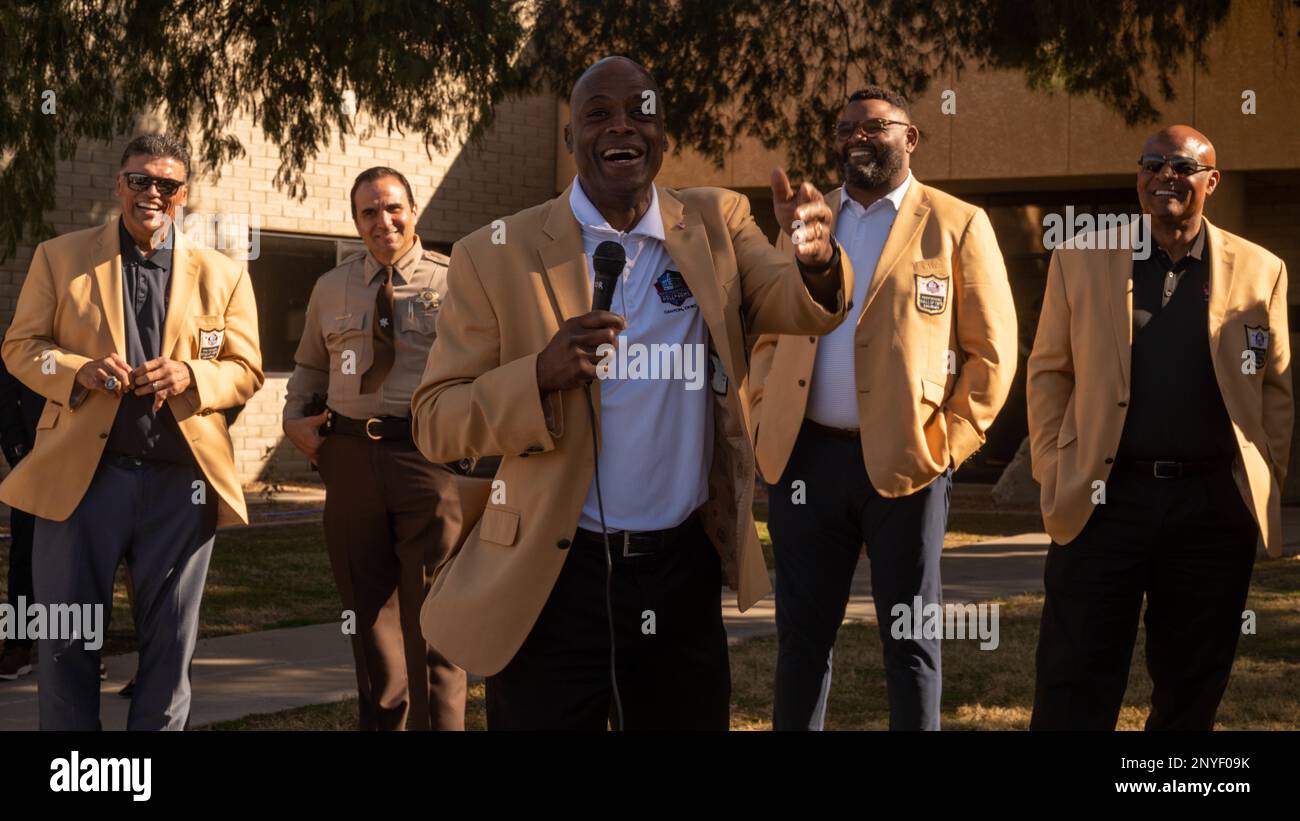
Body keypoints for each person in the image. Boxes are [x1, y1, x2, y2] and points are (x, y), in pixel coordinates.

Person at [410, 56, 852, 730]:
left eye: (640, 111)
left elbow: (794, 302)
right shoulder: (494, 252)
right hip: (554, 577)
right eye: (598, 114)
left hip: (680, 573)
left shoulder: (716, 223)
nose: (623, 125)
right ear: (569, 141)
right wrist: (538, 375)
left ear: (662, 134)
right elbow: (437, 419)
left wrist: (817, 260)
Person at [748, 86, 1018, 731]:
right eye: (845, 129)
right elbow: (766, 329)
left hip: (908, 461)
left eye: (873, 127)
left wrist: (946, 444)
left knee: (911, 641)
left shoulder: (957, 222)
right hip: (807, 456)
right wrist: (763, 413)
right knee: (802, 639)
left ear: (910, 137)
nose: (856, 139)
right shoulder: (809, 218)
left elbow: (993, 353)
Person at [1027, 125, 1293, 730]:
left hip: (1210, 507)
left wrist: (1259, 479)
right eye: (1152, 164)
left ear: (1211, 181)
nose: (1163, 176)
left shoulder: (1261, 269)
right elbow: (1048, 373)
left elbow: (1274, 387)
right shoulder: (1082, 256)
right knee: (1075, 676)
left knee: (1192, 684)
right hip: (1103, 499)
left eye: (1180, 166)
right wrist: (1052, 468)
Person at [0, 133, 264, 730]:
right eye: (140, 180)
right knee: (66, 642)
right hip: (81, 484)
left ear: (183, 196)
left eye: (166, 185)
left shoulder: (223, 274)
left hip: (181, 487)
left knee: (169, 649)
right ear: (119, 185)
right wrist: (76, 369)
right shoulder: (59, 256)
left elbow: (245, 370)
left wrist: (192, 373)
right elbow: (20, 349)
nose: (152, 193)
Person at [283, 167, 479, 731]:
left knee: (435, 616)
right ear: (356, 222)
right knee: (366, 616)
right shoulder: (332, 286)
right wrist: (295, 419)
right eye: (369, 212)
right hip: (348, 458)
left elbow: (484, 365)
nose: (382, 221)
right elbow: (311, 364)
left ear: (413, 211)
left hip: (428, 460)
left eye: (392, 208)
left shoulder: (455, 281)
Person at [0, 337, 43, 680]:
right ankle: (17, 646)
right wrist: (19, 454)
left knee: (83, 562)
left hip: (80, 462)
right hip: (32, 463)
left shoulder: (84, 329)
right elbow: (5, 400)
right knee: (24, 559)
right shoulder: (22, 332)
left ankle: (84, 646)